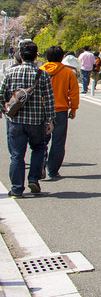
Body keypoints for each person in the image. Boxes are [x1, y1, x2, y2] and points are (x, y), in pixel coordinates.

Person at [1, 41, 55, 198]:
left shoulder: (10, 73)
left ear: (19, 55)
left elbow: (1, 93)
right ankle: (34, 179)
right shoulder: (42, 74)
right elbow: (49, 99)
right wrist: (50, 120)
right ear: (36, 55)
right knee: (38, 149)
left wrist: (3, 108)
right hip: (37, 121)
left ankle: (17, 189)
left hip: (15, 120)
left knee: (17, 155)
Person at [41, 46, 79, 180]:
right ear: (62, 57)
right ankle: (53, 170)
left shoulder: (40, 71)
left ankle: (40, 165)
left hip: (42, 110)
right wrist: (73, 108)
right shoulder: (68, 73)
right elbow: (74, 93)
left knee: (41, 141)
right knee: (58, 141)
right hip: (61, 110)